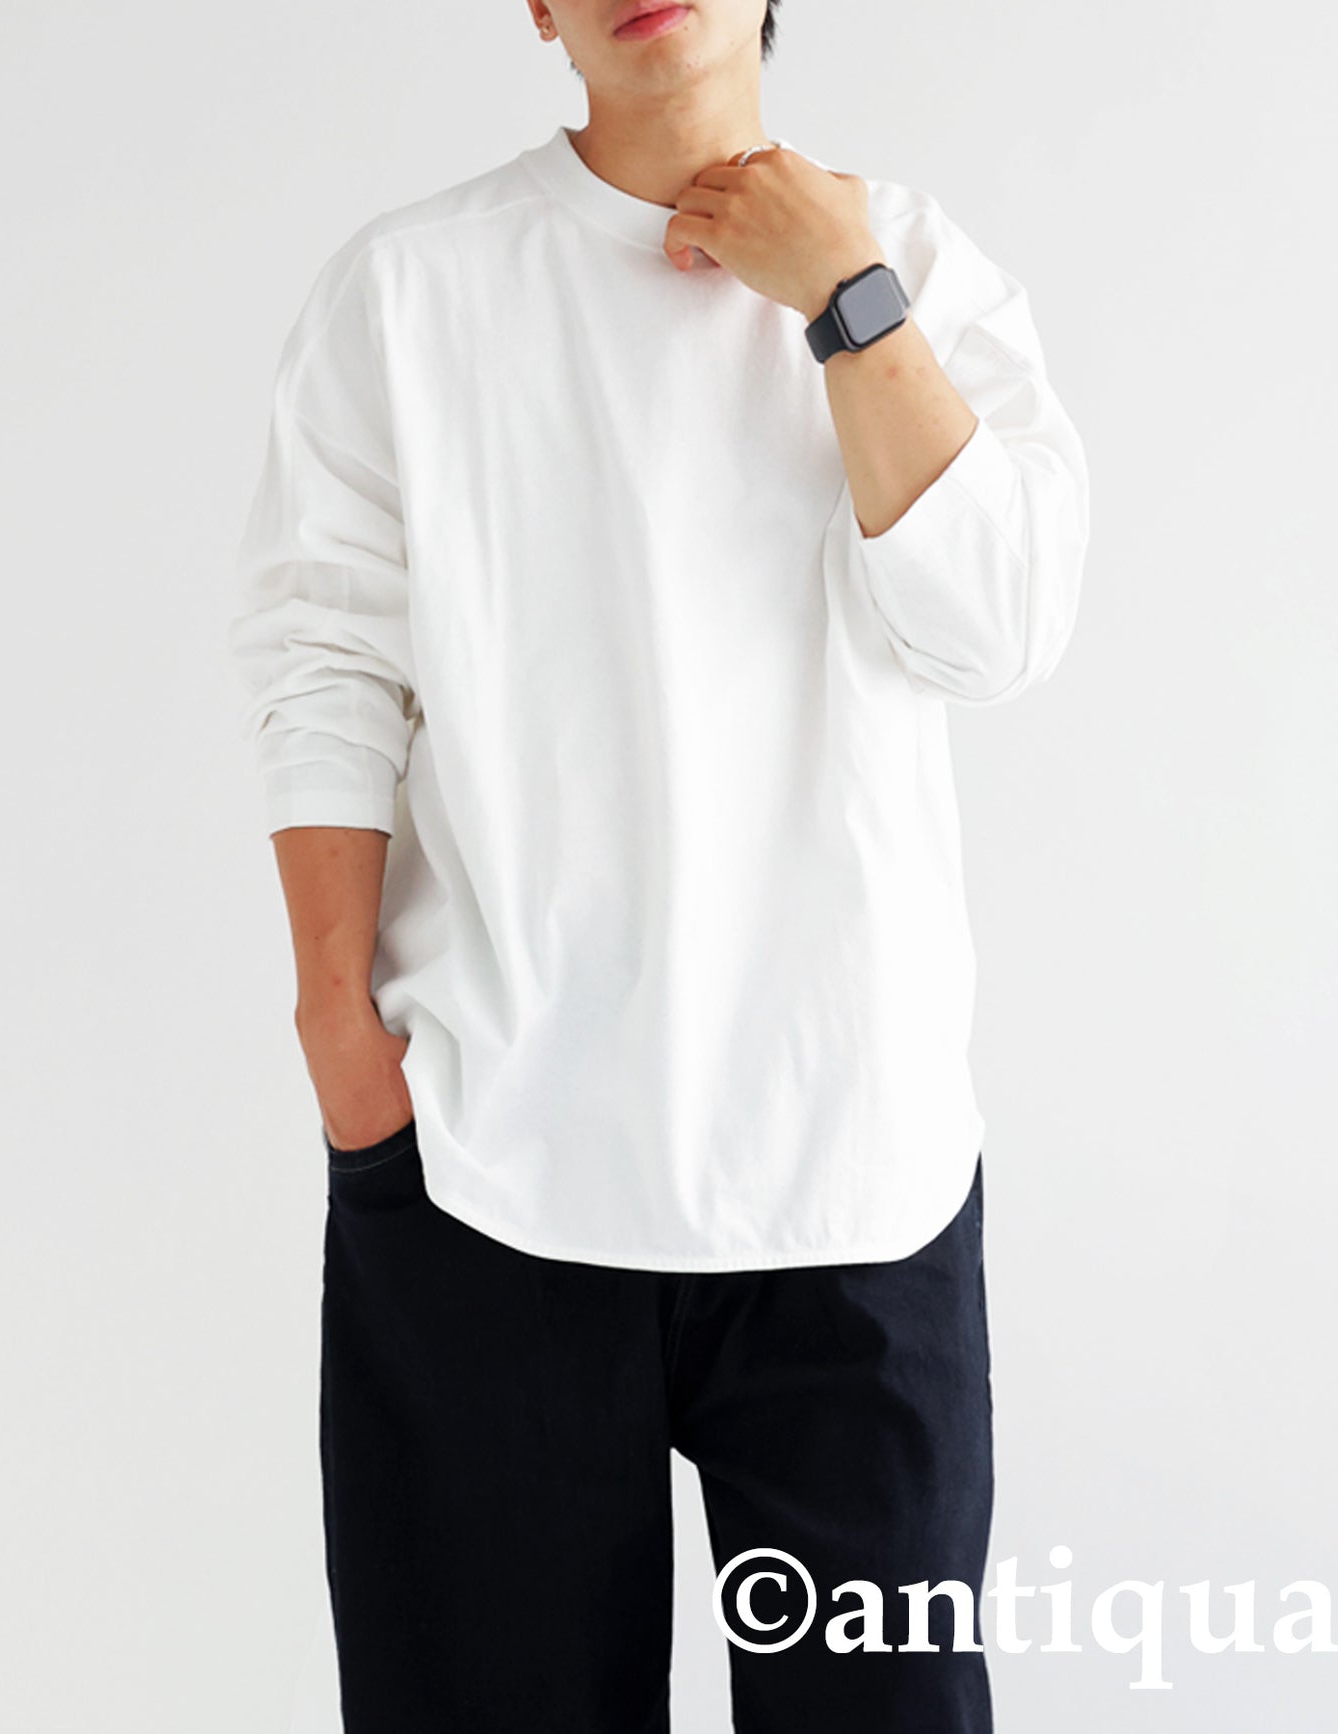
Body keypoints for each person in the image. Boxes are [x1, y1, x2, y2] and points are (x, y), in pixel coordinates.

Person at [227, 2, 1089, 1728]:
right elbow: (325, 659)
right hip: (490, 1162)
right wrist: (339, 1034)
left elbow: (993, 631)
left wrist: (842, 298)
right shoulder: (410, 289)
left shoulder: (916, 265)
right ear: (536, 12)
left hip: (851, 1177)